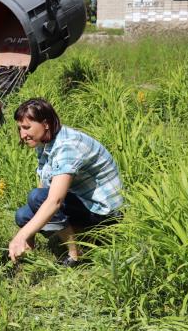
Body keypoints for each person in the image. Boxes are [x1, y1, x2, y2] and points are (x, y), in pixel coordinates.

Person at [8, 98, 123, 266]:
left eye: (26, 127)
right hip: (83, 202)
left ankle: (76, 255)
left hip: (104, 213)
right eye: (20, 128)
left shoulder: (67, 146)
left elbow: (55, 200)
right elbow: (45, 186)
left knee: (37, 198)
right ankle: (81, 235)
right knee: (23, 215)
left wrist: (21, 236)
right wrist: (29, 234)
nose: (22, 135)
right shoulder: (45, 141)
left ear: (45, 124)